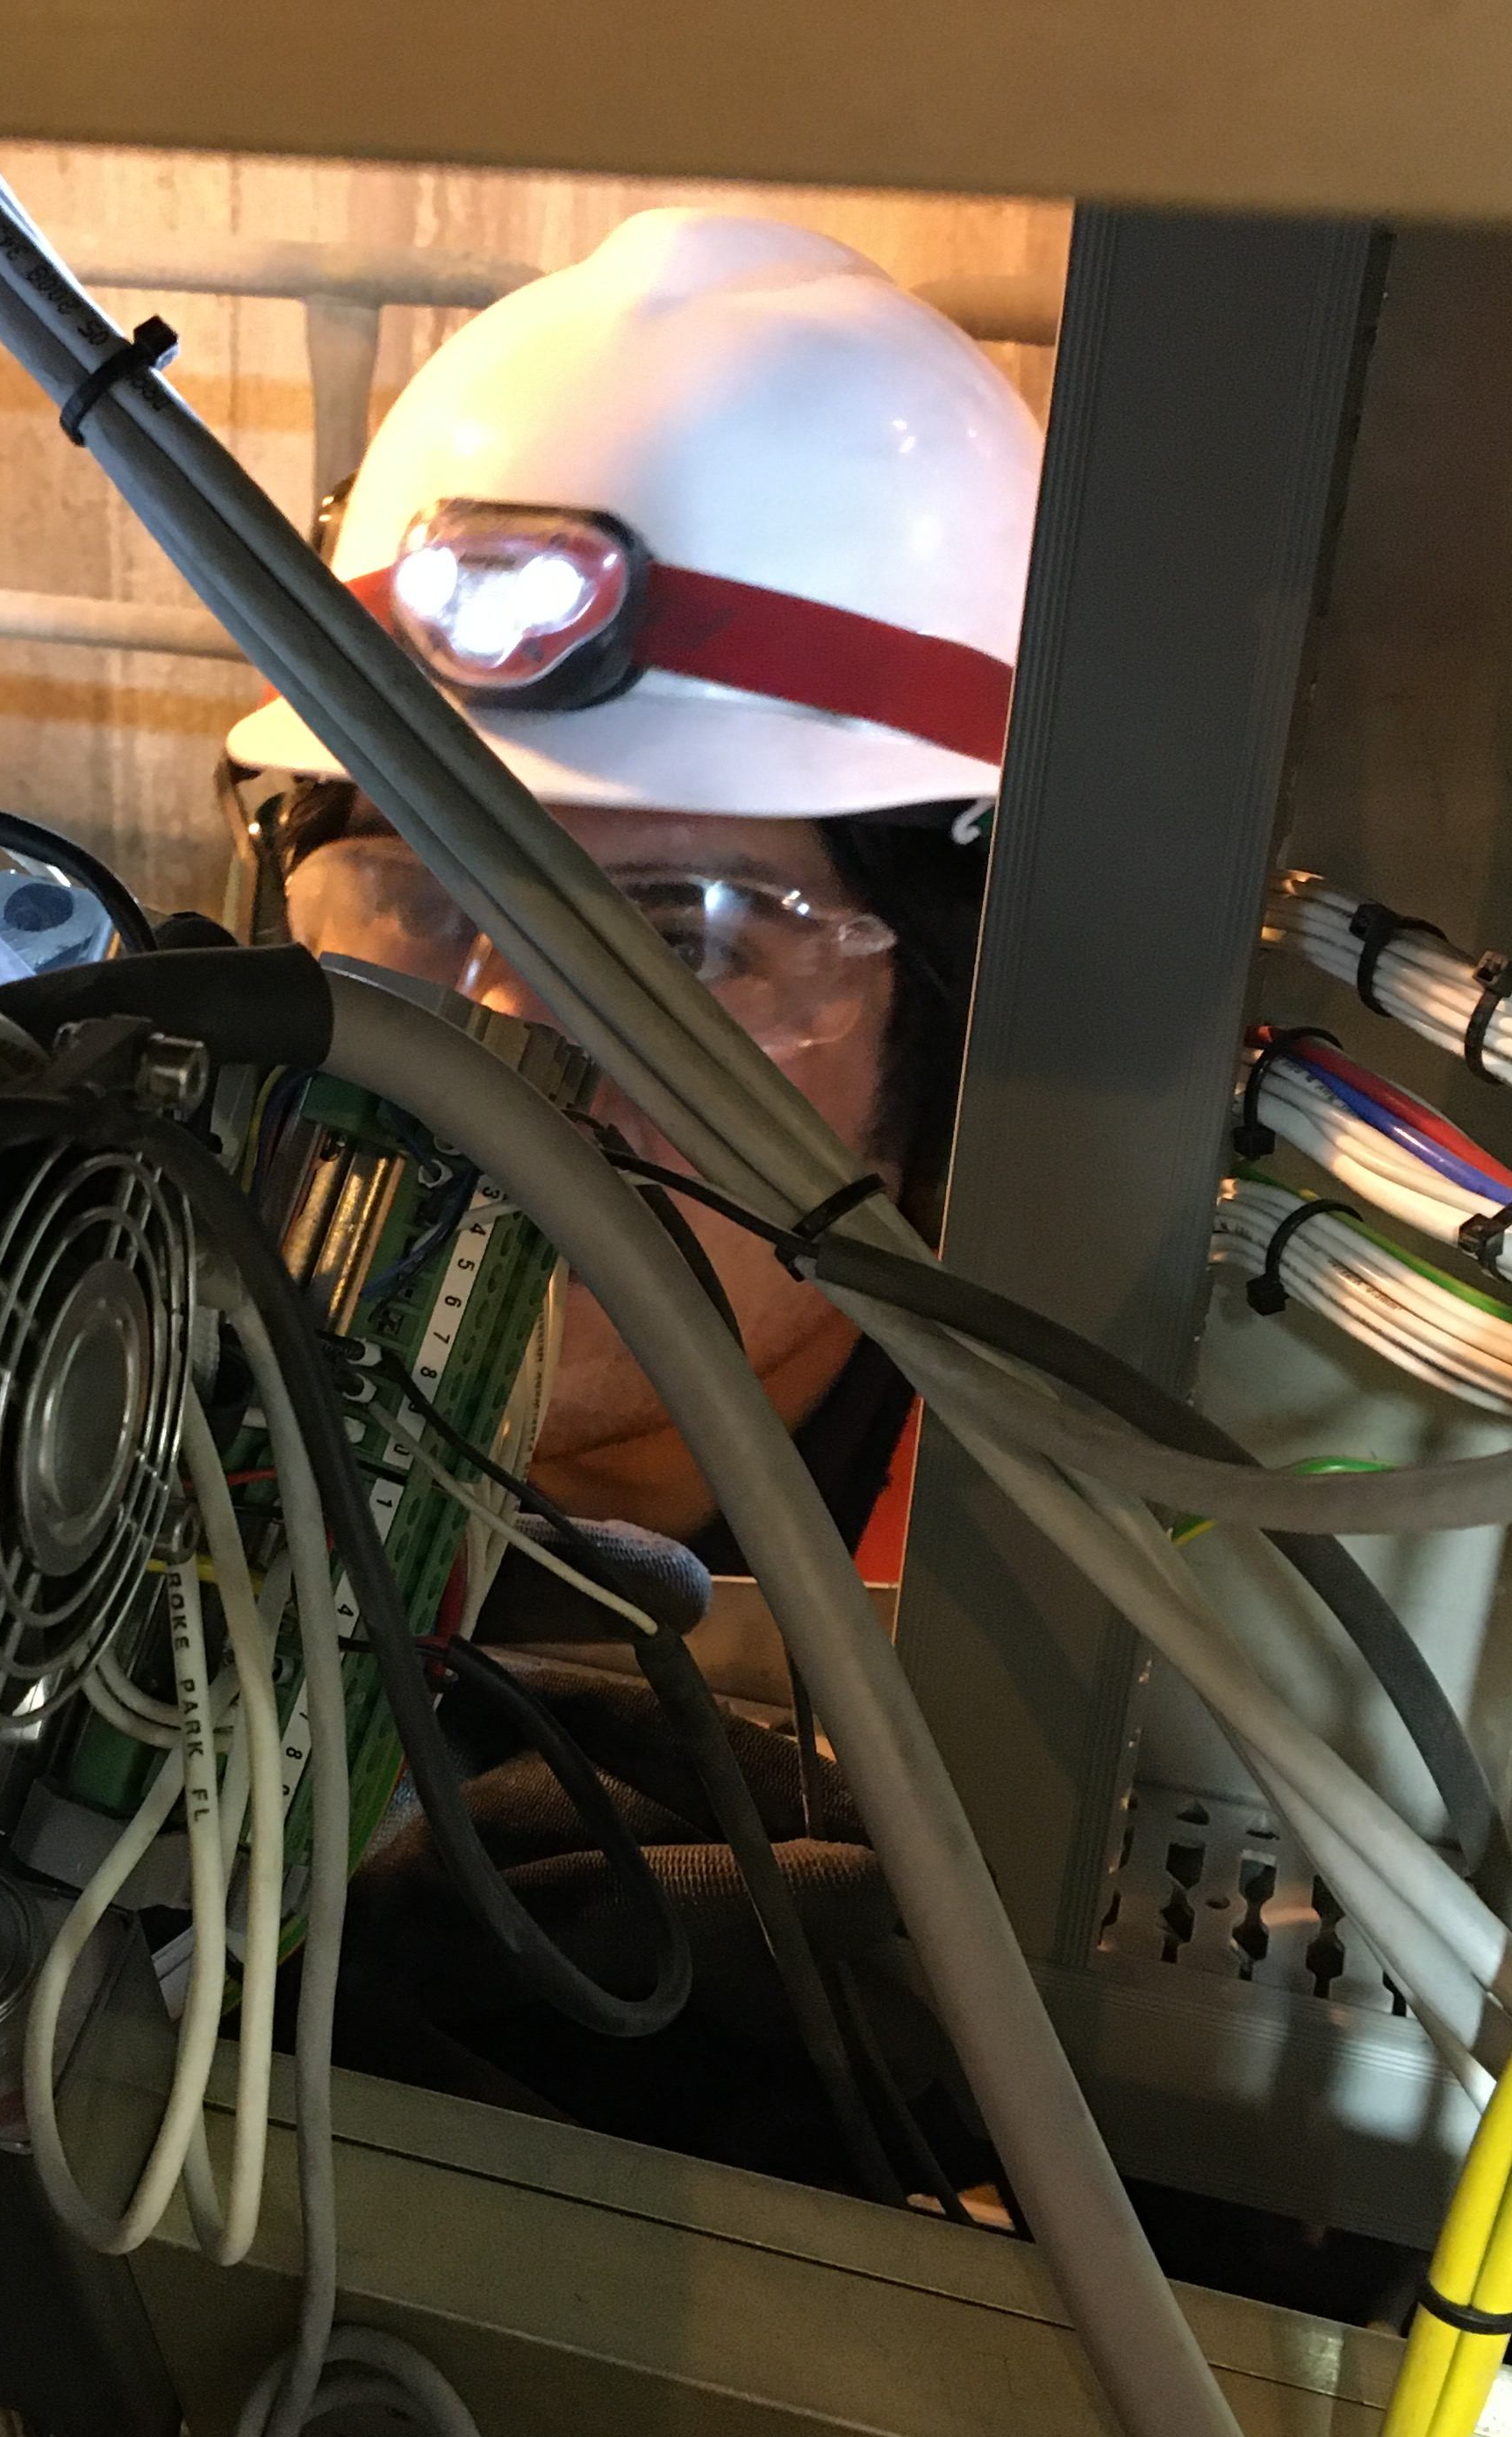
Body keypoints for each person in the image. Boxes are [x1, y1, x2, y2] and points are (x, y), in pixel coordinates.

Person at [226, 205, 1043, 1564]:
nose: (499, 1052)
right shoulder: (108, 1438)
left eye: (681, 945)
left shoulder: (1071, 1601)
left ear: (954, 1035)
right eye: (420, 906)